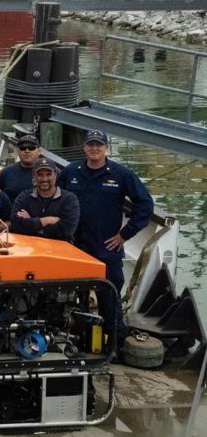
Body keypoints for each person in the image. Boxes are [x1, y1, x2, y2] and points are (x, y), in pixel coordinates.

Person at [57, 129, 153, 343]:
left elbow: (145, 204)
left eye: (99, 145)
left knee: (109, 298)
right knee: (75, 297)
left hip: (107, 247)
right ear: (84, 147)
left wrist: (124, 235)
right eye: (90, 144)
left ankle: (115, 344)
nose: (94, 148)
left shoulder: (121, 174)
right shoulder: (71, 172)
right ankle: (79, 339)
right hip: (76, 247)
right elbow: (56, 200)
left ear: (106, 148)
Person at [11, 158, 80, 240]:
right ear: (34, 176)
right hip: (30, 249)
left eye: (48, 174)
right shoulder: (24, 197)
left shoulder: (69, 199)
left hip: (60, 251)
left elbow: (67, 231)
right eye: (40, 175)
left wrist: (31, 223)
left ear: (55, 175)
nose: (44, 179)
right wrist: (45, 221)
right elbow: (16, 225)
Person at [0, 134, 42, 203]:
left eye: (31, 147)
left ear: (39, 151)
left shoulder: (50, 173)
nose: (27, 151)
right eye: (23, 148)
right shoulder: (5, 173)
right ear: (18, 151)